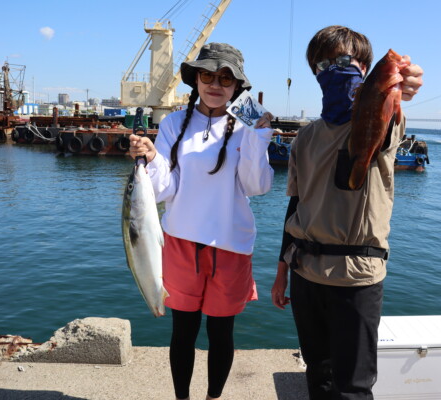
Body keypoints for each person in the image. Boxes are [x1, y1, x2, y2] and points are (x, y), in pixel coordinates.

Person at [271, 26, 424, 399]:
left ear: (365, 68)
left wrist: (401, 86)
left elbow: (390, 112)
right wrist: (281, 274)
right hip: (306, 273)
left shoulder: (378, 118)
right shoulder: (305, 138)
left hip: (356, 280)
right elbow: (296, 206)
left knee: (353, 387)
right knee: (317, 375)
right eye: (323, 64)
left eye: (344, 61)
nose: (332, 69)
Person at [129, 42, 274, 400]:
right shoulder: (174, 123)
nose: (215, 84)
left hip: (231, 245)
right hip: (180, 241)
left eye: (226, 78)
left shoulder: (246, 123)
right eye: (207, 74)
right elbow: (165, 188)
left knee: (222, 333)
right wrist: (150, 158)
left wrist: (258, 135)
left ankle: (213, 398)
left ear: (237, 86)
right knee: (183, 331)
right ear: (196, 78)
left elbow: (257, 186)